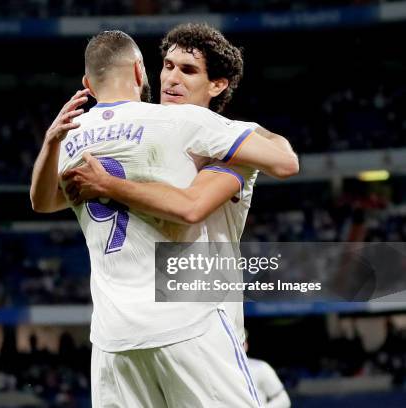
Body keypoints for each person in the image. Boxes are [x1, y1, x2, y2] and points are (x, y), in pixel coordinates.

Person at [30, 30, 297, 407]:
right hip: (152, 328)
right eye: (167, 66)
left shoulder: (228, 148)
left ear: (217, 85)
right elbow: (46, 201)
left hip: (200, 317)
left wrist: (104, 182)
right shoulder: (151, 131)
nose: (171, 78)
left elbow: (192, 205)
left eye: (187, 70)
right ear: (143, 72)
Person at [245, 334, 292, 408]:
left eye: (242, 341)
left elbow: (284, 400)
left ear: (246, 345)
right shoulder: (221, 370)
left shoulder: (260, 367)